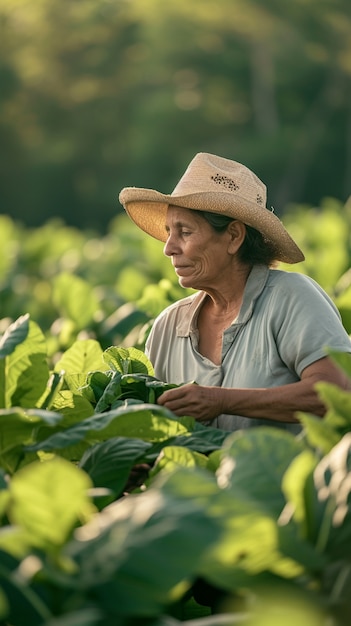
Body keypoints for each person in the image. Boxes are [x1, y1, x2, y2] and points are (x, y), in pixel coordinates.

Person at [119, 152, 351, 434]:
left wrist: (221, 401)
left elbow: (337, 393)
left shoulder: (292, 298)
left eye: (185, 232)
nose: (169, 247)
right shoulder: (167, 327)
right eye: (169, 231)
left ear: (233, 237)